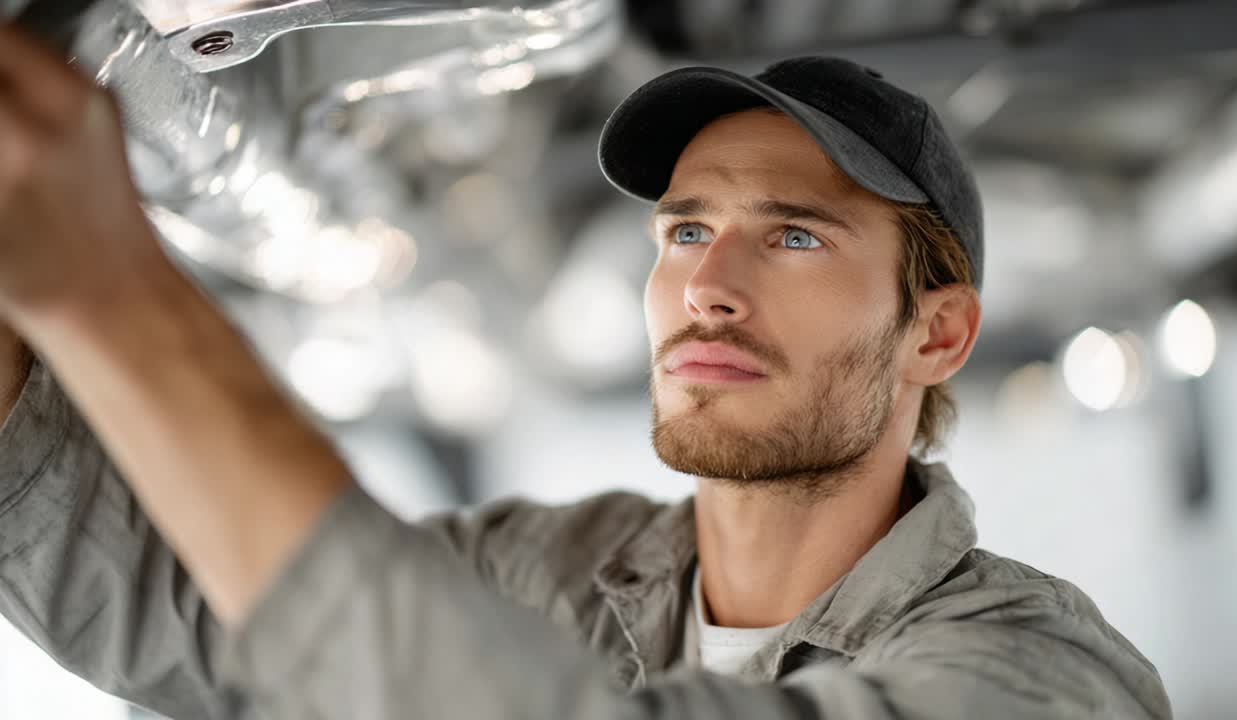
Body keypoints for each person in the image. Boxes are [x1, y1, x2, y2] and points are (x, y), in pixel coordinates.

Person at [0, 19, 1171, 720]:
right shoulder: (540, 565)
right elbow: (204, 622)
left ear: (938, 333)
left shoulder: (1044, 675)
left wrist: (112, 296)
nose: (708, 281)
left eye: (796, 233)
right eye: (684, 229)